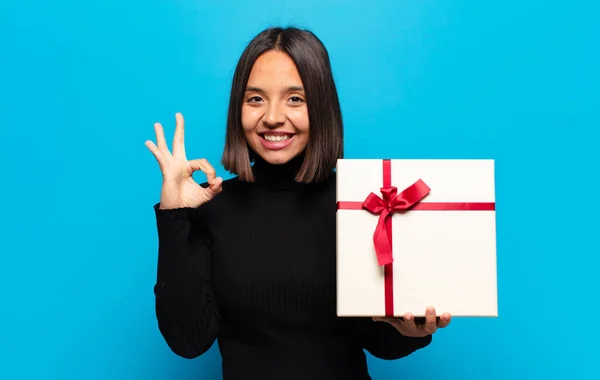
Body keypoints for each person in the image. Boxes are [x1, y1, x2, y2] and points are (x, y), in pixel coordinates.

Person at [145, 26, 451, 380]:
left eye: (295, 98)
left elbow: (379, 343)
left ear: (321, 107)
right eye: (255, 98)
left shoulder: (366, 206)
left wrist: (410, 332)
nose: (273, 116)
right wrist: (174, 215)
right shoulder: (212, 208)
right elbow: (188, 340)